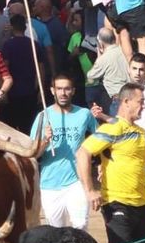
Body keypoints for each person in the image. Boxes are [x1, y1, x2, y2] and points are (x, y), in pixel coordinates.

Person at [77, 83, 145, 243]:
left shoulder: (140, 132)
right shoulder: (112, 128)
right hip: (117, 203)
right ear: (126, 101)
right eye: (141, 101)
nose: (143, 105)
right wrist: (90, 191)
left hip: (143, 203)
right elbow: (83, 153)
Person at [30, 75, 99, 230]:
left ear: (73, 91)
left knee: (80, 225)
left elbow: (100, 138)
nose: (63, 93)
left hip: (77, 181)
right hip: (50, 184)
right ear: (52, 91)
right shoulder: (42, 117)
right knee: (55, 230)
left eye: (67, 89)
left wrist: (100, 164)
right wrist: (45, 141)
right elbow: (33, 154)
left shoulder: (84, 114)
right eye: (59, 89)